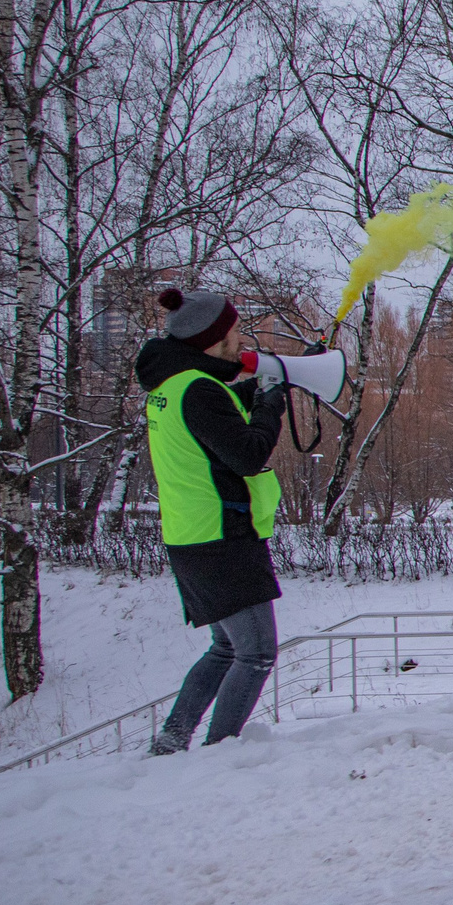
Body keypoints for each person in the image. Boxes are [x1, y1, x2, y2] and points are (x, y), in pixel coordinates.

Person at [140, 287, 287, 754]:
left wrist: (256, 391)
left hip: (189, 537)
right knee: (256, 653)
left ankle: (171, 739)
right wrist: (269, 410)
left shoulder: (172, 385)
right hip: (222, 538)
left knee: (225, 649)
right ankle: (219, 753)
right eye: (234, 330)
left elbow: (210, 424)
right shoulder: (200, 389)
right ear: (213, 338)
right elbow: (246, 454)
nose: (240, 337)